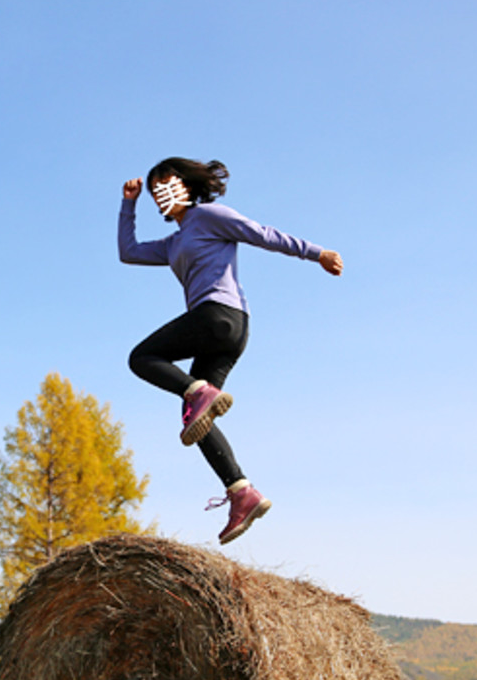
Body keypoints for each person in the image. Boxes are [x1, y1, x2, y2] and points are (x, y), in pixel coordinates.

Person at [118, 157, 343, 544]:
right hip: (227, 331)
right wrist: (128, 204)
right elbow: (129, 251)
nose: (161, 193)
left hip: (217, 316)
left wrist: (316, 252)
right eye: (156, 190)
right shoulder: (173, 243)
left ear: (186, 185)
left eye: (166, 184)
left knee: (141, 358)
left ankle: (198, 391)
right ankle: (241, 491)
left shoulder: (208, 215)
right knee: (196, 417)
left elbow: (260, 233)